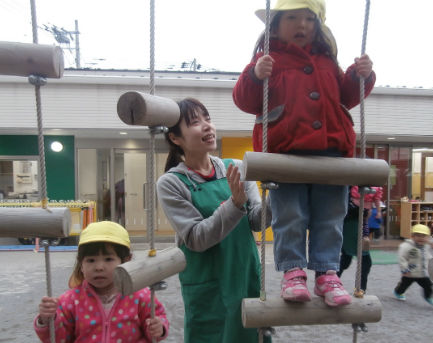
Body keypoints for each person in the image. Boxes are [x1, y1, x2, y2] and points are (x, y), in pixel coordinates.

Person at [232, 0, 375, 306]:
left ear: (318, 25)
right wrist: (256, 75)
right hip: (285, 154)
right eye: (292, 17)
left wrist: (357, 76)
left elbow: (346, 97)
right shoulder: (268, 59)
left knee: (331, 216)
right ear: (275, 24)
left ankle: (327, 273)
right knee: (290, 216)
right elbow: (245, 100)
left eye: (309, 18)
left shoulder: (327, 61)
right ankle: (293, 272)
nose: (302, 25)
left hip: (331, 153)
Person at [156, 98, 270, 343]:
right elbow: (196, 238)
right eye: (195, 122)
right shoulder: (171, 183)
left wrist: (279, 195)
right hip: (207, 283)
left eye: (208, 119)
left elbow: (257, 222)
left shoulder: (238, 168)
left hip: (245, 273)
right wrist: (234, 205)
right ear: (176, 139)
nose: (207, 126)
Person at [34, 221, 169, 342]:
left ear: (126, 261)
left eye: (108, 259)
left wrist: (159, 327)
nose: (99, 267)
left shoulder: (140, 295)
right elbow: (60, 339)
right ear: (81, 264)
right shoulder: (70, 301)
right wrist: (47, 320)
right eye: (91, 260)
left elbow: (157, 319)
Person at [337, 187, 373, 333]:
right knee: (353, 260)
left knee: (351, 260)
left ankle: (358, 289)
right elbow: (345, 210)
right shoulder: (347, 191)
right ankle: (357, 289)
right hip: (350, 227)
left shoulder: (360, 189)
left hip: (355, 226)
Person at [393, 224, 433, 307]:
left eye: (424, 236)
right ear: (412, 236)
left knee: (428, 286)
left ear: (427, 237)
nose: (421, 238)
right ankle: (398, 292)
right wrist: (404, 269)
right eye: (418, 236)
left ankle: (429, 297)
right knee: (403, 285)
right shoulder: (406, 246)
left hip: (421, 273)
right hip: (409, 273)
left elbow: (427, 256)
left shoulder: (426, 246)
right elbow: (402, 258)